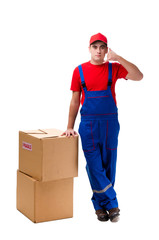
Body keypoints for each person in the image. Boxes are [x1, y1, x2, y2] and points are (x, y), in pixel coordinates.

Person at [61, 33, 143, 222]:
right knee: (94, 165)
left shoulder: (114, 68)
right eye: (95, 47)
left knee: (109, 164)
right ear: (89, 48)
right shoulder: (79, 70)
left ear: (107, 50)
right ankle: (112, 204)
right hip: (88, 124)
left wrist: (119, 58)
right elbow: (74, 101)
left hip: (110, 123)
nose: (98, 50)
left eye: (102, 47)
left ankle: (99, 206)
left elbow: (139, 76)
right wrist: (69, 127)